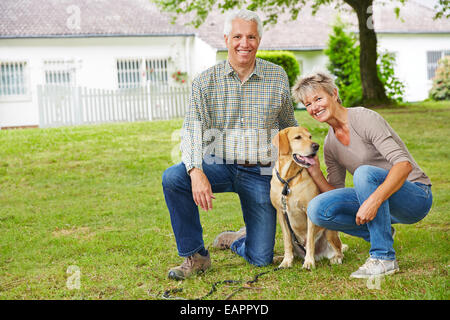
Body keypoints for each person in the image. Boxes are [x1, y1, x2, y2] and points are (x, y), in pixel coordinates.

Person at [162, 9, 297, 280]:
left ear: (259, 40)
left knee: (260, 259)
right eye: (237, 36)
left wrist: (294, 168)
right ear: (226, 39)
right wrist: (195, 171)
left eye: (251, 37)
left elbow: (288, 127)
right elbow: (191, 130)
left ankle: (238, 239)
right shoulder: (205, 81)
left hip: (260, 171)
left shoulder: (277, 77)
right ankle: (196, 256)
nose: (243, 43)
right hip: (219, 164)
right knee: (174, 177)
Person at [291, 72, 433, 278]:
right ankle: (380, 232)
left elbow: (403, 165)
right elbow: (336, 195)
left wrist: (373, 201)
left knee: (364, 173)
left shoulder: (364, 118)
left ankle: (384, 258)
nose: (314, 107)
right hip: (381, 201)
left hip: (415, 196)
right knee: (318, 208)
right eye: (308, 103)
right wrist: (314, 170)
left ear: (334, 93)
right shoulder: (331, 144)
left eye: (318, 98)